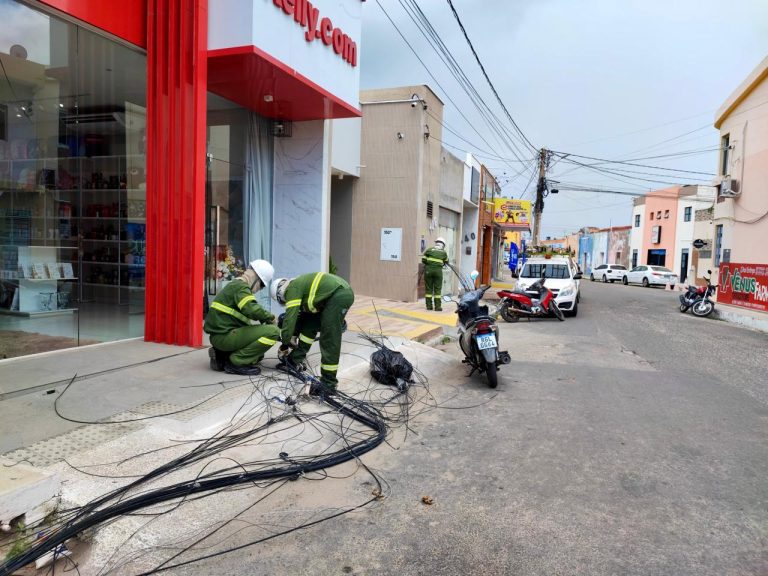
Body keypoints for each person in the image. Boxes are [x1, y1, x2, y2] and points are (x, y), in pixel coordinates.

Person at [270, 272, 354, 394]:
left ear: (280, 292)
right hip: (332, 297)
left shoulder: (292, 288)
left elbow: (290, 318)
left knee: (329, 337)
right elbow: (302, 318)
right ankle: (295, 359)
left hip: (339, 294)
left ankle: (328, 383)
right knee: (309, 326)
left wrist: (285, 344)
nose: (285, 301)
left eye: (283, 300)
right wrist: (294, 335)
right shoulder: (300, 288)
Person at [204, 259, 280, 376]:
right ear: (256, 278)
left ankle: (222, 356)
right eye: (262, 285)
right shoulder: (241, 287)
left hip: (221, 336)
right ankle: (236, 362)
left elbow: (247, 314)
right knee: (273, 332)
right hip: (224, 337)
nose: (260, 289)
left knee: (257, 354)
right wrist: (271, 318)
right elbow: (252, 309)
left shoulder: (235, 286)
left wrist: (263, 320)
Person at [421, 237, 448, 311]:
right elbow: (446, 261)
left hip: (428, 271)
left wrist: (429, 264)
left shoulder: (429, 250)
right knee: (437, 289)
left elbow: (423, 259)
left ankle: (429, 306)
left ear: (436, 243)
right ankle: (437, 307)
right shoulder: (443, 253)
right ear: (443, 245)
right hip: (438, 272)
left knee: (428, 289)